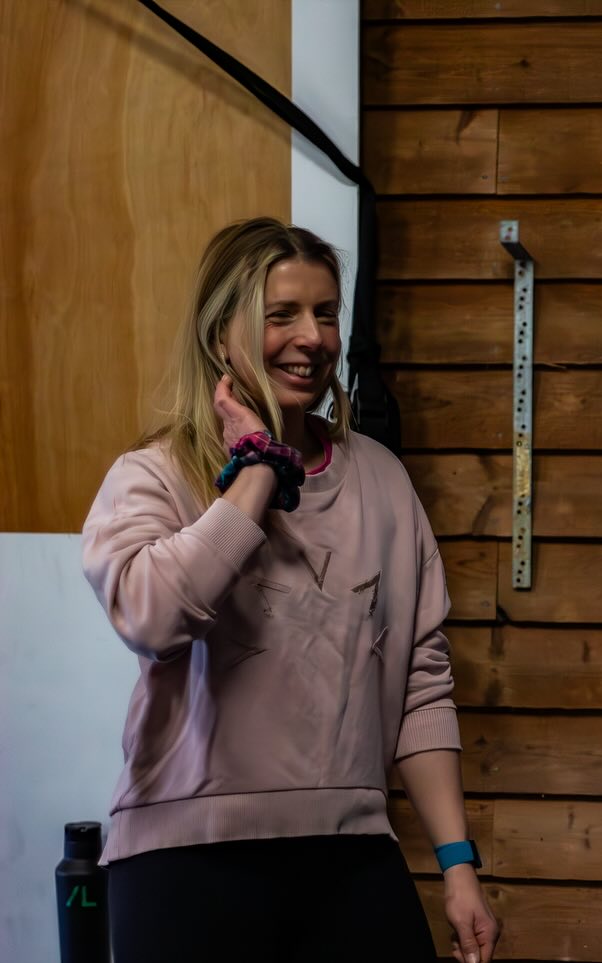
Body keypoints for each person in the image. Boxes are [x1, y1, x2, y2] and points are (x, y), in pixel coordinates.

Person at [81, 217, 499, 963]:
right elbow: (152, 617)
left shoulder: (382, 481)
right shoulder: (152, 475)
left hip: (350, 855)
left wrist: (457, 860)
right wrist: (257, 471)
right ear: (221, 337)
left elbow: (419, 686)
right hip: (186, 858)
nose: (313, 337)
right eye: (282, 315)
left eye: (326, 313)